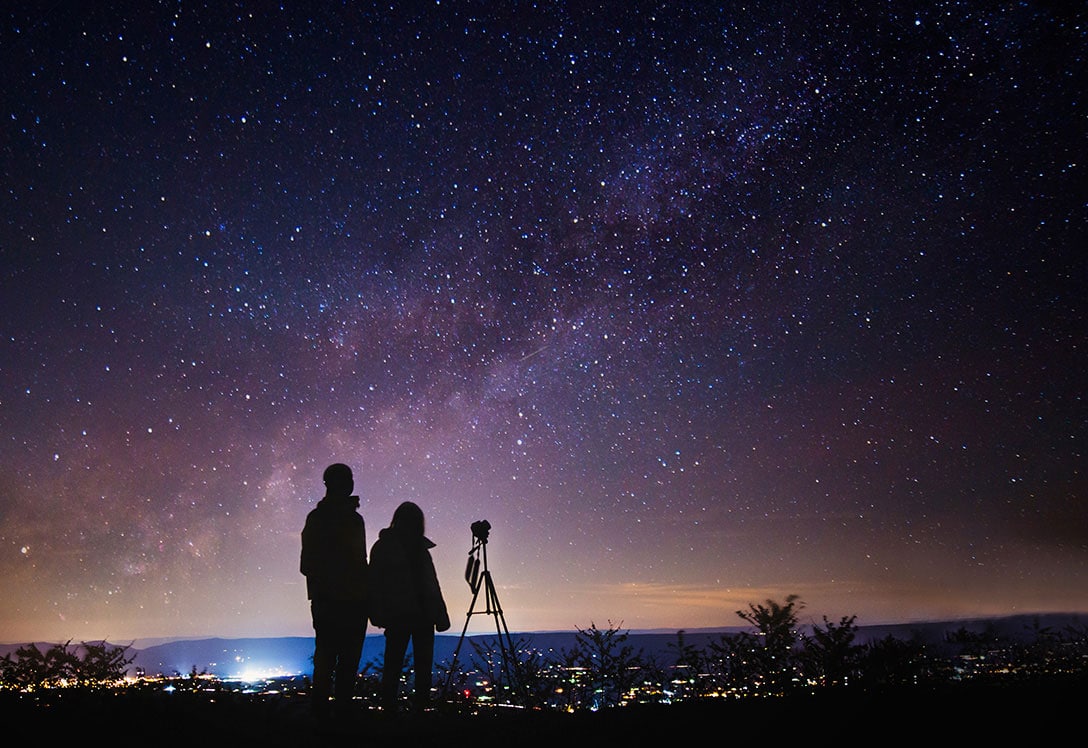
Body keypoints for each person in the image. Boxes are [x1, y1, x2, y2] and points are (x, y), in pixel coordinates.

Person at [300, 463, 369, 719]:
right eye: (347, 479)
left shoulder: (321, 518)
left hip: (332, 599)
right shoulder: (347, 519)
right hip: (343, 600)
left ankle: (326, 711)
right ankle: (337, 711)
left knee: (331, 657)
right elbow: (310, 564)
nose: (351, 483)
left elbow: (307, 565)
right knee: (341, 658)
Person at [368, 501, 450, 713]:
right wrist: (440, 614)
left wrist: (376, 612)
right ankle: (409, 708)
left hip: (407, 614)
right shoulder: (413, 548)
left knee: (398, 663)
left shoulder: (386, 547)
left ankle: (395, 708)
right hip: (411, 614)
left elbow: (430, 584)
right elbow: (431, 584)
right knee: (412, 664)